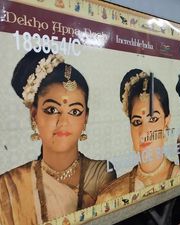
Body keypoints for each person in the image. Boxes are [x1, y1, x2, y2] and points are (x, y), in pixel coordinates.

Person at [0, 50, 116, 224]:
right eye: (52, 110)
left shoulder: (100, 173)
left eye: (75, 111)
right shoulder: (9, 186)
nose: (63, 122)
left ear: (86, 118)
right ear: (34, 115)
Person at [97, 69, 180, 202]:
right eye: (137, 122)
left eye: (153, 119)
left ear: (166, 121)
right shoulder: (111, 195)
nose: (144, 132)